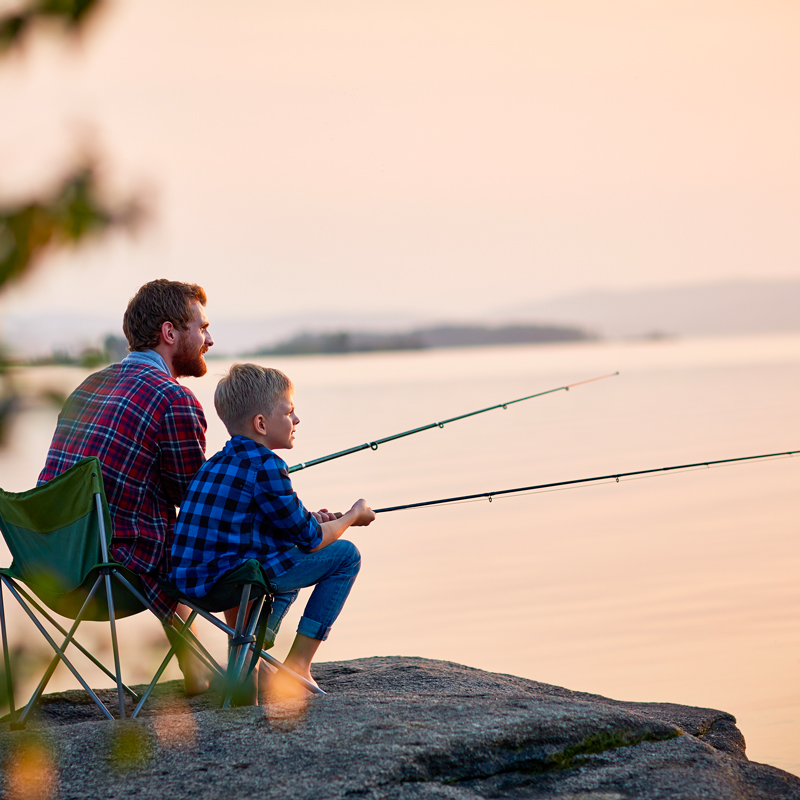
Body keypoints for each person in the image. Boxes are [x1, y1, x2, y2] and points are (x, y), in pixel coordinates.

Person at [38, 278, 214, 694]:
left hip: (50, 565)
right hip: (110, 576)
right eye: (202, 327)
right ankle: (241, 672)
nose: (210, 338)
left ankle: (197, 669)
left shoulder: (88, 386)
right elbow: (194, 505)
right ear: (170, 333)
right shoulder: (174, 399)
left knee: (154, 529)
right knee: (212, 534)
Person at [170, 363, 375, 696]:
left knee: (283, 552)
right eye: (289, 412)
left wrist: (313, 517)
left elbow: (258, 520)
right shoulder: (267, 466)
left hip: (191, 586)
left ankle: (251, 659)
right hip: (234, 582)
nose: (296, 420)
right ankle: (296, 664)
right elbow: (310, 539)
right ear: (261, 424)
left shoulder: (214, 464)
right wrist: (352, 515)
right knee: (345, 556)